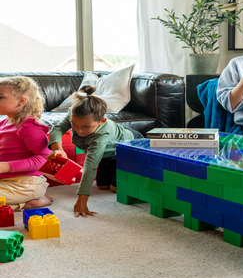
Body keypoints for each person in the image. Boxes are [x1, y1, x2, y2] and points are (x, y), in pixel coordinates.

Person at [48, 85, 143, 218]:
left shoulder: (102, 134)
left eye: (86, 127)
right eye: (74, 124)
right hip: (108, 153)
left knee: (114, 189)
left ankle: (139, 180)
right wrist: (58, 149)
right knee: (103, 186)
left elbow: (90, 167)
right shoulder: (74, 114)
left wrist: (81, 202)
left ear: (102, 121)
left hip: (129, 148)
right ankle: (115, 167)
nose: (79, 130)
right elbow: (57, 129)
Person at [0, 76, 52, 211]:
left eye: (0, 97)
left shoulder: (29, 127)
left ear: (21, 101)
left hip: (26, 184)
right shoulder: (4, 123)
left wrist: (6, 166)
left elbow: (44, 159)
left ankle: (30, 203)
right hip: (5, 180)